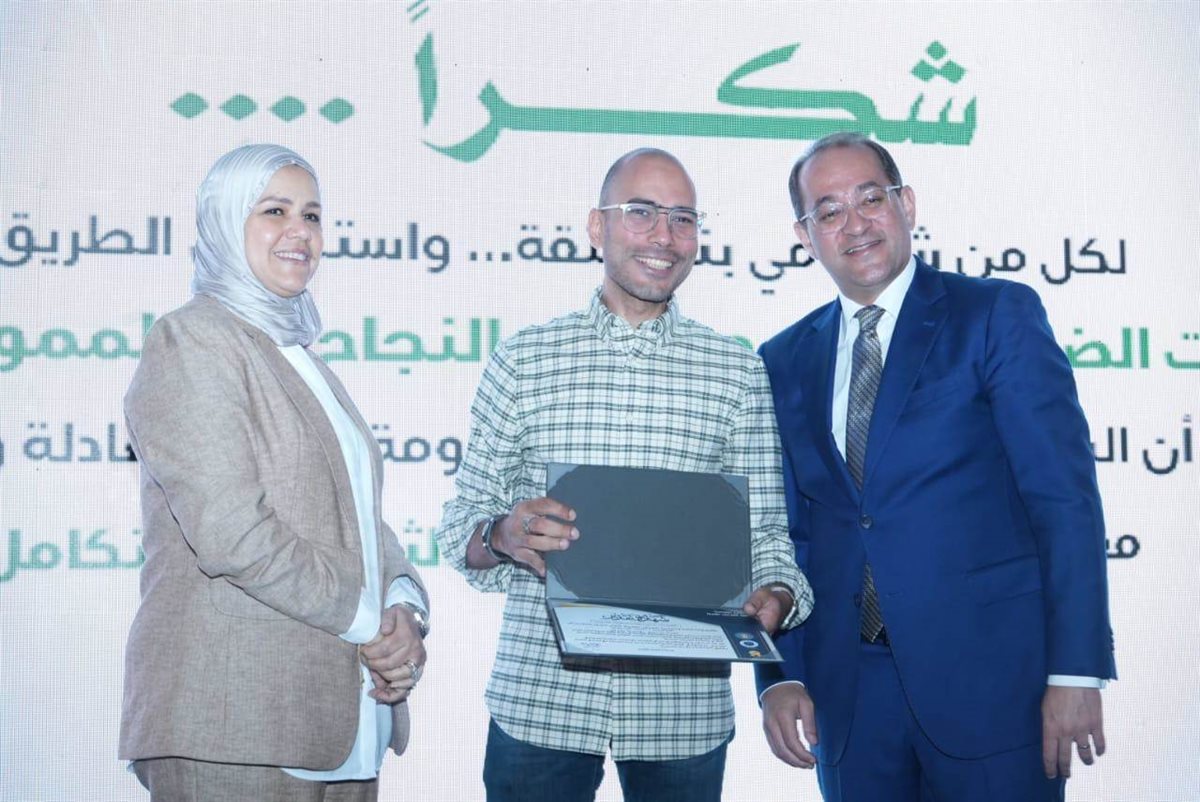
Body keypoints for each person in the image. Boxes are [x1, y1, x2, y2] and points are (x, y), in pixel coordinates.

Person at [435, 147, 813, 802]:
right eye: (641, 212)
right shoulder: (525, 359)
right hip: (542, 701)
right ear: (596, 226)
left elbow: (766, 539)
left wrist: (776, 595)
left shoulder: (736, 372)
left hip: (682, 714)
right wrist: (502, 535)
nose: (664, 235)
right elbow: (457, 532)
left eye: (683, 218)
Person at [755, 132, 1116, 801]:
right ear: (805, 236)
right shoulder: (782, 359)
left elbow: (1063, 501)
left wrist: (1076, 671)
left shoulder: (995, 315)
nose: (855, 223)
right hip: (850, 700)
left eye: (871, 198)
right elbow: (786, 533)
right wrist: (780, 674)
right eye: (829, 211)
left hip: (996, 688)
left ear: (907, 204)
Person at [119, 143, 429, 801]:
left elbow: (358, 520)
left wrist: (404, 607)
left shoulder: (299, 355)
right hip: (233, 723)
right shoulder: (193, 339)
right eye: (274, 211)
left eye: (312, 215)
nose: (300, 231)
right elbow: (231, 532)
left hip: (341, 726)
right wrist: (370, 621)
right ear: (225, 221)